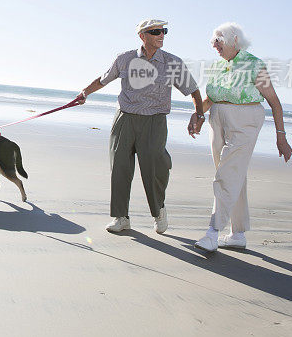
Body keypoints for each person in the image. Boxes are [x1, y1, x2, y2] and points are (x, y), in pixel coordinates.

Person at [77, 19, 204, 234]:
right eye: (155, 32)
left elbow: (193, 89)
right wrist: (84, 92)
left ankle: (158, 210)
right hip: (125, 118)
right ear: (142, 36)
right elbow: (104, 79)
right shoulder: (125, 59)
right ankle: (121, 217)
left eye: (163, 31)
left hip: (155, 120)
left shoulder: (172, 63)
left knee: (155, 166)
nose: (161, 35)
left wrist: (199, 113)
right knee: (119, 167)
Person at [193, 22, 292, 252]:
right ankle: (237, 234)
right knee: (232, 174)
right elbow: (210, 99)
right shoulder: (217, 66)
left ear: (234, 41)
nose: (215, 46)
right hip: (217, 120)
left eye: (220, 42)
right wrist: (197, 115)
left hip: (245, 121)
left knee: (226, 175)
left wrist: (281, 136)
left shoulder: (255, 65)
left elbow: (274, 102)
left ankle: (212, 232)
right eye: (214, 42)